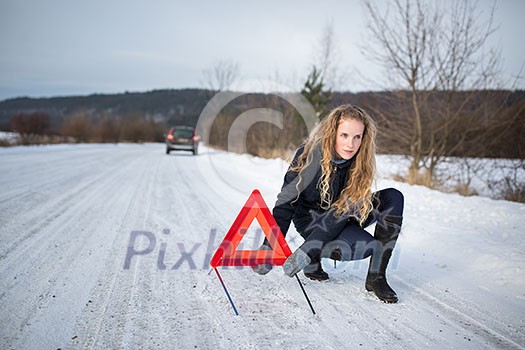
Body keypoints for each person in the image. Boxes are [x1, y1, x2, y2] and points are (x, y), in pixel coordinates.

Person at [253, 104, 404, 303]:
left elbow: (344, 209)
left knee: (393, 197)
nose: (351, 144)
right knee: (364, 246)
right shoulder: (309, 156)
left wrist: (309, 249)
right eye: (344, 135)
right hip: (311, 220)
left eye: (357, 137)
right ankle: (312, 253)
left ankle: (376, 277)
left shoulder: (360, 161)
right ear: (333, 132)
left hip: (341, 216)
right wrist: (269, 245)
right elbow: (285, 204)